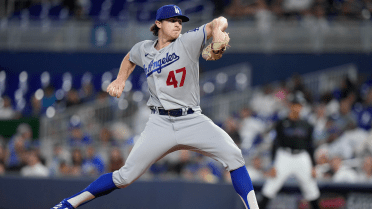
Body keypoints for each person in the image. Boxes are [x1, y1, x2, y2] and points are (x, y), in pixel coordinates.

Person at [51, 4, 259, 209]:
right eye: (172, 21)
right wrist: (121, 80)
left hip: (191, 119)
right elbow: (130, 58)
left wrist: (219, 32)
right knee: (124, 177)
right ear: (158, 23)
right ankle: (69, 203)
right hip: (160, 123)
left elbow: (218, 21)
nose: (178, 25)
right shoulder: (143, 49)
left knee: (235, 157)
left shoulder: (188, 41)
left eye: (180, 21)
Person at [259, 92, 320, 209]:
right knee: (269, 188)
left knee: (312, 190)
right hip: (284, 156)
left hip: (302, 157)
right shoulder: (281, 123)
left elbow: (310, 146)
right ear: (290, 105)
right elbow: (275, 144)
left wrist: (313, 166)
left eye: (299, 105)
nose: (297, 107)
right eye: (295, 104)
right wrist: (273, 164)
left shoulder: (307, 125)